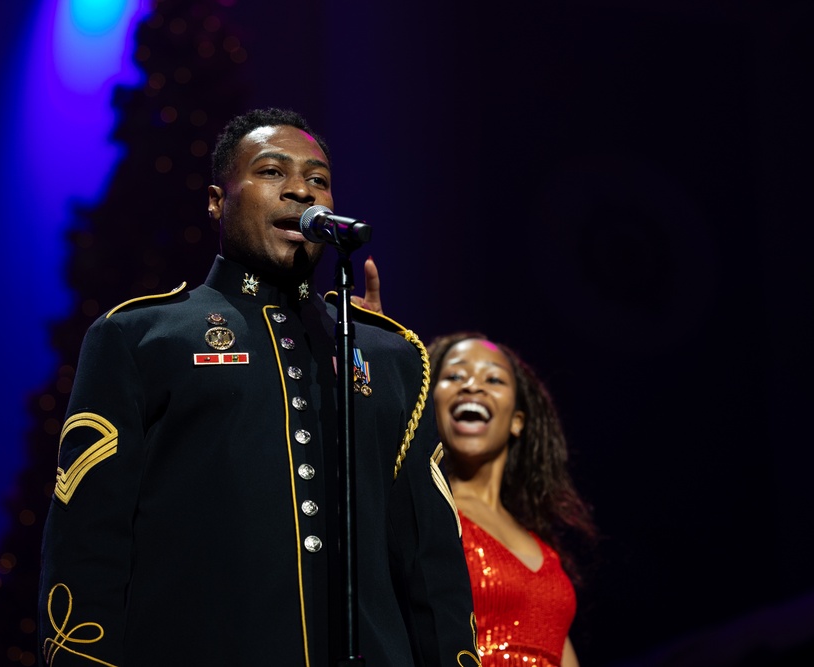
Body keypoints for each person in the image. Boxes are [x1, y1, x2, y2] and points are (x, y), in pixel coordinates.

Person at [38, 107, 479, 666]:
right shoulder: (142, 336)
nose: (299, 190)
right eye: (272, 172)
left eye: (317, 179)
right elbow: (88, 546)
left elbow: (431, 564)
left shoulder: (391, 356)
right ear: (217, 201)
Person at [428, 332, 597, 667]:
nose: (472, 386)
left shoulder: (546, 551)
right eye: (454, 376)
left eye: (493, 378)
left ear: (517, 421)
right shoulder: (428, 514)